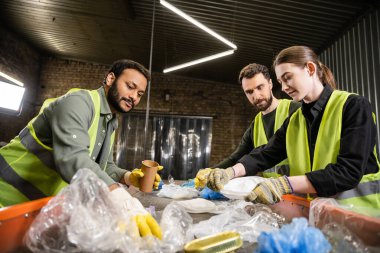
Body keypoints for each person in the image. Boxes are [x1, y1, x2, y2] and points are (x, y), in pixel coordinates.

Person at [0, 59, 162, 238]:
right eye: (130, 86)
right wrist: (121, 199)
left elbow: (104, 166)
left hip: (34, 210)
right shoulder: (79, 102)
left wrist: (128, 177)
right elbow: (73, 158)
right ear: (110, 79)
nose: (134, 97)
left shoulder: (110, 123)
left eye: (140, 94)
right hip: (5, 197)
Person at [207, 46, 380, 210]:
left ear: (310, 69)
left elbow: (348, 171)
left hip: (360, 217)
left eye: (288, 77)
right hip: (320, 216)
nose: (283, 87)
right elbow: (266, 153)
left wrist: (284, 184)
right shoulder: (295, 120)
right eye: (281, 81)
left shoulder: (354, 106)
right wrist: (230, 172)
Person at [195, 63, 300, 188]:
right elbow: (237, 157)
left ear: (270, 84)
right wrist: (210, 172)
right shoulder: (255, 125)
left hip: (299, 192)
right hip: (268, 193)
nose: (256, 96)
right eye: (249, 92)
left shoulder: (296, 110)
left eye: (260, 87)